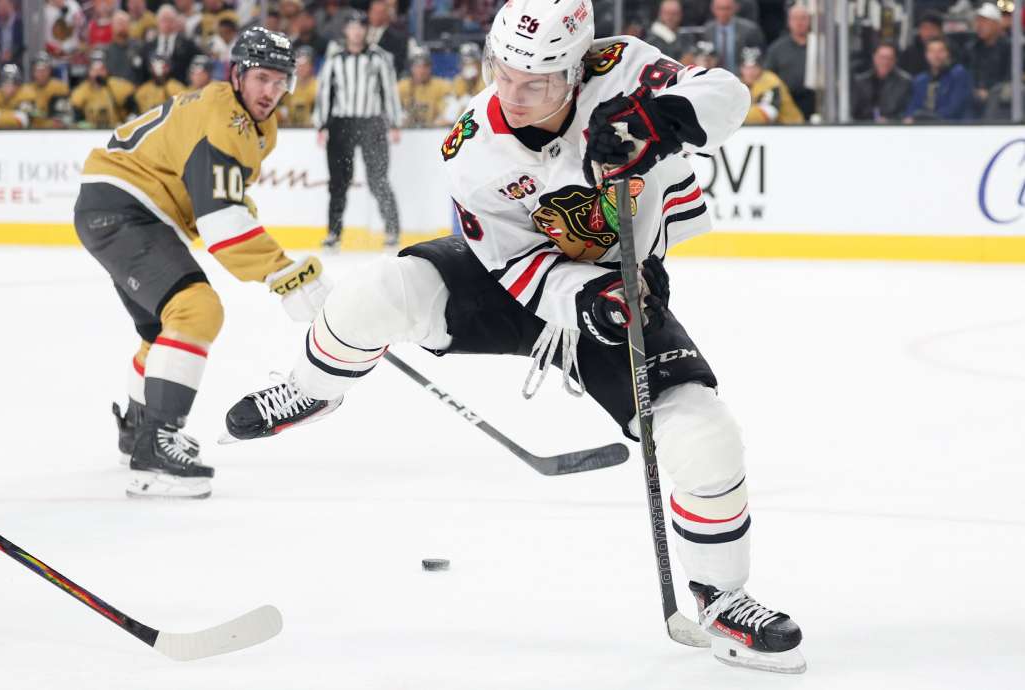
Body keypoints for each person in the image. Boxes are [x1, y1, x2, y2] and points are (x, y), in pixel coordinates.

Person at [222, 0, 805, 674]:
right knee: (374, 295)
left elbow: (727, 93)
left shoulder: (625, 68)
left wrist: (657, 123)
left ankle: (721, 596)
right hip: (516, 281)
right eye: (505, 75)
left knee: (706, 437)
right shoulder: (474, 146)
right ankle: (311, 390)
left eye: (539, 84)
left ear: (577, 69)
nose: (516, 96)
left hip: (621, 285)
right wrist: (576, 294)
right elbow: (513, 264)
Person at [74, 27, 330, 499]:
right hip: (126, 208)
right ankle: (155, 450)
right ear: (237, 73)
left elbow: (222, 195)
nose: (271, 92)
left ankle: (138, 430)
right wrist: (283, 273)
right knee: (197, 310)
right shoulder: (225, 120)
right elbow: (221, 223)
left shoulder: (249, 121)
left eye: (281, 82)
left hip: (121, 208)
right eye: (261, 79)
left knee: (163, 329)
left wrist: (264, 250)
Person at [313, 10, 402, 248]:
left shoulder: (379, 58)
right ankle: (334, 232)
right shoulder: (334, 59)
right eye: (352, 26)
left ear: (366, 30)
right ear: (345, 30)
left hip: (372, 122)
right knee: (338, 181)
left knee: (378, 179)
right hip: (342, 124)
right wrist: (321, 124)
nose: (356, 31)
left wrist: (394, 122)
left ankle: (392, 229)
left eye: (360, 26)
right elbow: (325, 95)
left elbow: (388, 91)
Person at [762, 4, 814, 119]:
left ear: (810, 20)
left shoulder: (819, 46)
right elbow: (768, 76)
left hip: (815, 101)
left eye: (803, 18)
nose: (799, 22)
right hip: (786, 102)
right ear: (788, 21)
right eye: (795, 18)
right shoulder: (777, 49)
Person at [904, 37, 973, 121]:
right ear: (926, 55)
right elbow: (912, 106)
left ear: (948, 54)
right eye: (932, 51)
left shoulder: (959, 75)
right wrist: (910, 117)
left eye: (940, 51)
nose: (936, 56)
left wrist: (928, 119)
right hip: (923, 127)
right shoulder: (920, 80)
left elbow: (954, 108)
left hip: (952, 127)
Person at [966, 2, 1012, 117]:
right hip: (974, 94)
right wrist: (975, 89)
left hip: (999, 97)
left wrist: (989, 91)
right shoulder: (972, 48)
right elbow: (968, 72)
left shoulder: (1008, 48)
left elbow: (1009, 76)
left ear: (997, 24)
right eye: (978, 21)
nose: (979, 25)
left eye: (985, 21)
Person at [70, 49, 136, 127]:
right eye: (94, 70)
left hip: (117, 130)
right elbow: (77, 119)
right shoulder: (80, 91)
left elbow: (133, 111)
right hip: (91, 134)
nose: (98, 74)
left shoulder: (119, 87)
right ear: (89, 71)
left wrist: (127, 123)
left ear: (107, 70)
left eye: (101, 70)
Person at [851, 42, 913, 121]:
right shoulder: (861, 82)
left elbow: (905, 111)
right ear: (874, 57)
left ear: (895, 60)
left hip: (894, 127)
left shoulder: (905, 82)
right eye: (882, 57)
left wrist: (889, 120)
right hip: (864, 127)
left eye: (889, 58)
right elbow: (854, 111)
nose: (885, 62)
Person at [740, 48, 803, 124]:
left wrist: (734, 116)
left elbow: (768, 113)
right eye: (746, 67)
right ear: (741, 68)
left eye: (754, 67)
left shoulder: (771, 82)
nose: (750, 72)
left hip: (793, 127)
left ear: (761, 67)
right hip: (772, 129)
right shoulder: (740, 82)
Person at [702, 0, 763, 71]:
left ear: (736, 8)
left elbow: (759, 56)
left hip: (741, 77)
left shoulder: (749, 30)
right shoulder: (708, 30)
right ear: (712, 9)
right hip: (715, 76)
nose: (723, 12)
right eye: (719, 8)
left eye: (727, 8)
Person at [398, 50, 452, 126]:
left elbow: (449, 114)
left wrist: (439, 121)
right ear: (411, 68)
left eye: (425, 66)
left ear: (430, 68)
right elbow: (391, 110)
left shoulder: (441, 86)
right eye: (417, 66)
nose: (421, 71)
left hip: (434, 131)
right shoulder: (402, 86)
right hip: (407, 131)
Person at [27, 52, 73, 127]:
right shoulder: (26, 90)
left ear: (50, 70)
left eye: (44, 70)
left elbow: (65, 118)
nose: (41, 74)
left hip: (55, 133)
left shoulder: (60, 87)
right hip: (32, 133)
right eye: (38, 70)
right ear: (33, 72)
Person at [278, 45, 316, 126]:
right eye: (298, 64)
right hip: (290, 130)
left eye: (305, 65)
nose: (301, 68)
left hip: (311, 130)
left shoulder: (318, 86)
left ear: (311, 66)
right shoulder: (287, 86)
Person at [899, 11, 944, 76]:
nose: (929, 33)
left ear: (940, 31)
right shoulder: (909, 53)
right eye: (925, 28)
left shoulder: (952, 51)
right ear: (920, 30)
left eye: (933, 28)